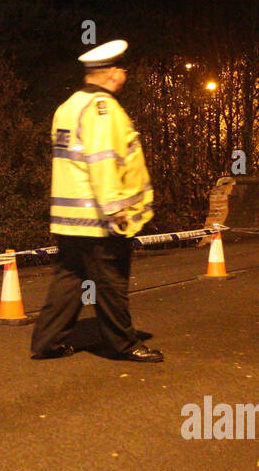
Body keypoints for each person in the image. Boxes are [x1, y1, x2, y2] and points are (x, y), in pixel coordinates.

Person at [30, 40, 163, 363]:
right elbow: (102, 161)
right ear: (112, 73)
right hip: (98, 218)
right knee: (111, 282)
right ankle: (123, 344)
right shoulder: (104, 109)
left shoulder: (68, 106)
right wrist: (116, 209)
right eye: (122, 70)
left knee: (70, 278)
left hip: (68, 216)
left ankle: (47, 342)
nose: (125, 75)